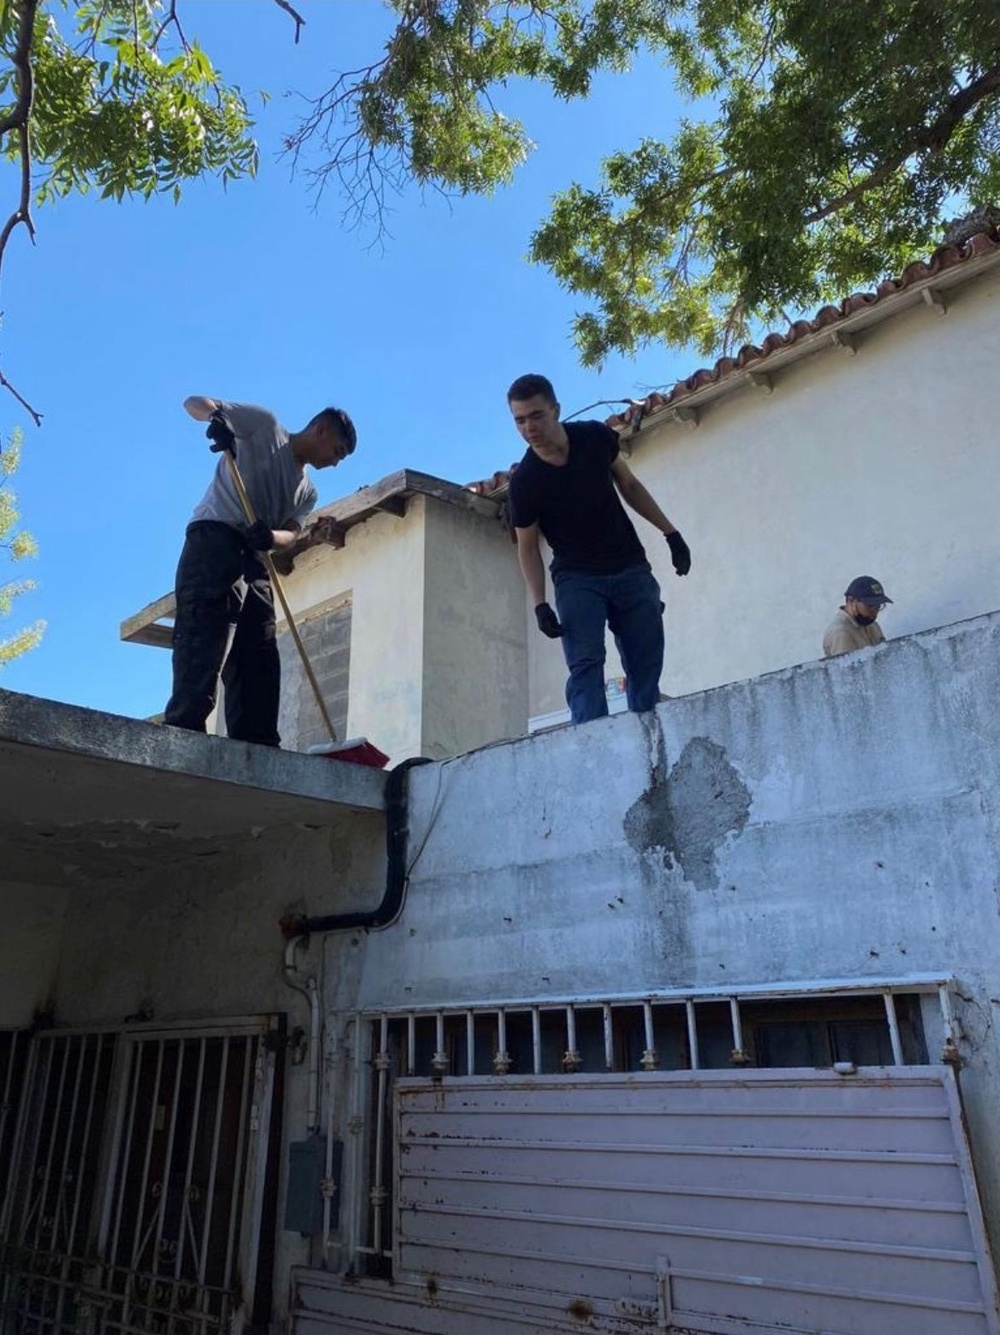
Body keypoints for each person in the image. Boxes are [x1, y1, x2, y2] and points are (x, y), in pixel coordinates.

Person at [164, 397, 357, 747]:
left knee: (259, 646)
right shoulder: (264, 426)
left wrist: (270, 536)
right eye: (338, 451)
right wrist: (217, 419)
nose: (335, 462)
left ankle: (257, 741)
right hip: (214, 537)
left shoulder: (307, 491)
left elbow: (292, 532)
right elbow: (194, 402)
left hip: (254, 556)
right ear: (322, 429)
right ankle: (186, 726)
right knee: (207, 625)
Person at [506, 373, 691, 725]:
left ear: (555, 410)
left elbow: (630, 486)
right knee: (585, 662)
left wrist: (671, 534)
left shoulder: (593, 437)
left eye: (536, 416)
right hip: (577, 577)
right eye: (520, 420)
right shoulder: (526, 482)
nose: (529, 427)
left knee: (645, 655)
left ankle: (647, 730)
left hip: (629, 567)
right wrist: (540, 604)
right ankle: (592, 740)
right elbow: (527, 548)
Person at [822, 576, 893, 657]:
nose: (875, 611)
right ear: (851, 600)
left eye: (878, 606)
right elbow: (848, 669)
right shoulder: (840, 632)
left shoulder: (871, 624)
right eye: (870, 605)